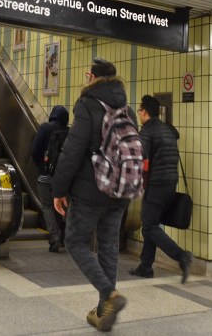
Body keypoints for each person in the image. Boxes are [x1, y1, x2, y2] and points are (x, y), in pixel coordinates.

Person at [52, 58, 129, 332]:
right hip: (120, 190)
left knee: (74, 241)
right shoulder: (126, 108)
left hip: (91, 190)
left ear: (92, 77)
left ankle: (109, 295)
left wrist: (59, 189)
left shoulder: (87, 104)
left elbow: (73, 150)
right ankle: (102, 314)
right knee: (108, 247)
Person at [129, 95, 193, 283]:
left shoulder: (147, 132)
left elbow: (143, 161)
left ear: (145, 112)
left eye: (140, 111)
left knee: (148, 226)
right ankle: (145, 266)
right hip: (170, 184)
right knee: (152, 222)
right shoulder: (168, 130)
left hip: (155, 185)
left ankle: (182, 256)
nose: (139, 114)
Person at [31, 105, 69, 253]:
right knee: (63, 205)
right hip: (64, 178)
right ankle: (66, 235)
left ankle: (54, 237)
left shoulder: (45, 128)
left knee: (47, 206)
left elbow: (35, 151)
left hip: (45, 176)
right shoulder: (68, 132)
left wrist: (42, 166)